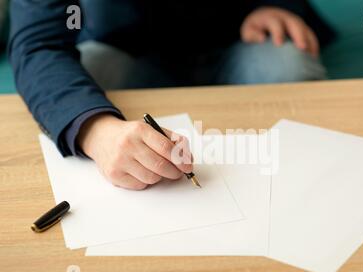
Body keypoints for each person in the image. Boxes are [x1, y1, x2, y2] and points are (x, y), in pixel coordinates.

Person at [9, 0, 335, 190]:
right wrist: (96, 130)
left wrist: (275, 4)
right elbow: (39, 44)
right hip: (126, 48)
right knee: (90, 71)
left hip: (238, 38)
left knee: (287, 66)